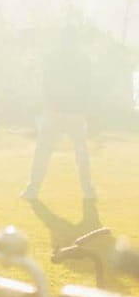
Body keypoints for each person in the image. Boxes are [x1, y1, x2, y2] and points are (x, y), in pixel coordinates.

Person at [21, 28, 96, 201]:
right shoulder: (82, 60)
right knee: (80, 154)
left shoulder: (53, 58)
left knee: (44, 152)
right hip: (72, 113)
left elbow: (46, 84)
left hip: (59, 112)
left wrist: (48, 106)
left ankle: (32, 190)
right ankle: (88, 191)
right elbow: (87, 87)